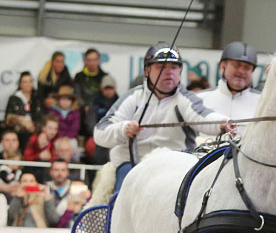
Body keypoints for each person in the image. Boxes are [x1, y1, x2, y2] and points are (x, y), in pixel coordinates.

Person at [94, 43, 233, 191]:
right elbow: (100, 132)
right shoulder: (133, 97)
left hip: (173, 165)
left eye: (174, 67)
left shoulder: (185, 99)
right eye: (161, 67)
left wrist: (223, 123)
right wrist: (123, 129)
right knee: (120, 197)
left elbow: (202, 116)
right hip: (132, 165)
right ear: (147, 71)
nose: (169, 72)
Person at [199, 41, 261, 135]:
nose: (241, 71)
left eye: (247, 67)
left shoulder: (262, 102)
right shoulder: (199, 99)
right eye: (236, 65)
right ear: (222, 66)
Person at [5, 72, 43, 148]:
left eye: (30, 81)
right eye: (25, 82)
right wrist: (21, 120)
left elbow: (41, 116)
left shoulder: (37, 98)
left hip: (35, 130)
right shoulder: (14, 98)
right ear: (20, 84)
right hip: (19, 130)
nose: (28, 84)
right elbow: (8, 118)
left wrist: (33, 125)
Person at [85, 75, 119, 140]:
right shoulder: (95, 102)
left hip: (115, 135)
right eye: (106, 88)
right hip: (97, 134)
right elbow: (91, 122)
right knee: (90, 145)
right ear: (102, 89)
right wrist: (98, 134)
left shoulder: (120, 102)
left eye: (110, 88)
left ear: (115, 89)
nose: (108, 91)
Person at [1, 130, 23, 199]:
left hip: (20, 195)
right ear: (1, 142)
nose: (11, 143)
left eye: (14, 140)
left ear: (18, 142)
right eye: (7, 140)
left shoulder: (25, 161)